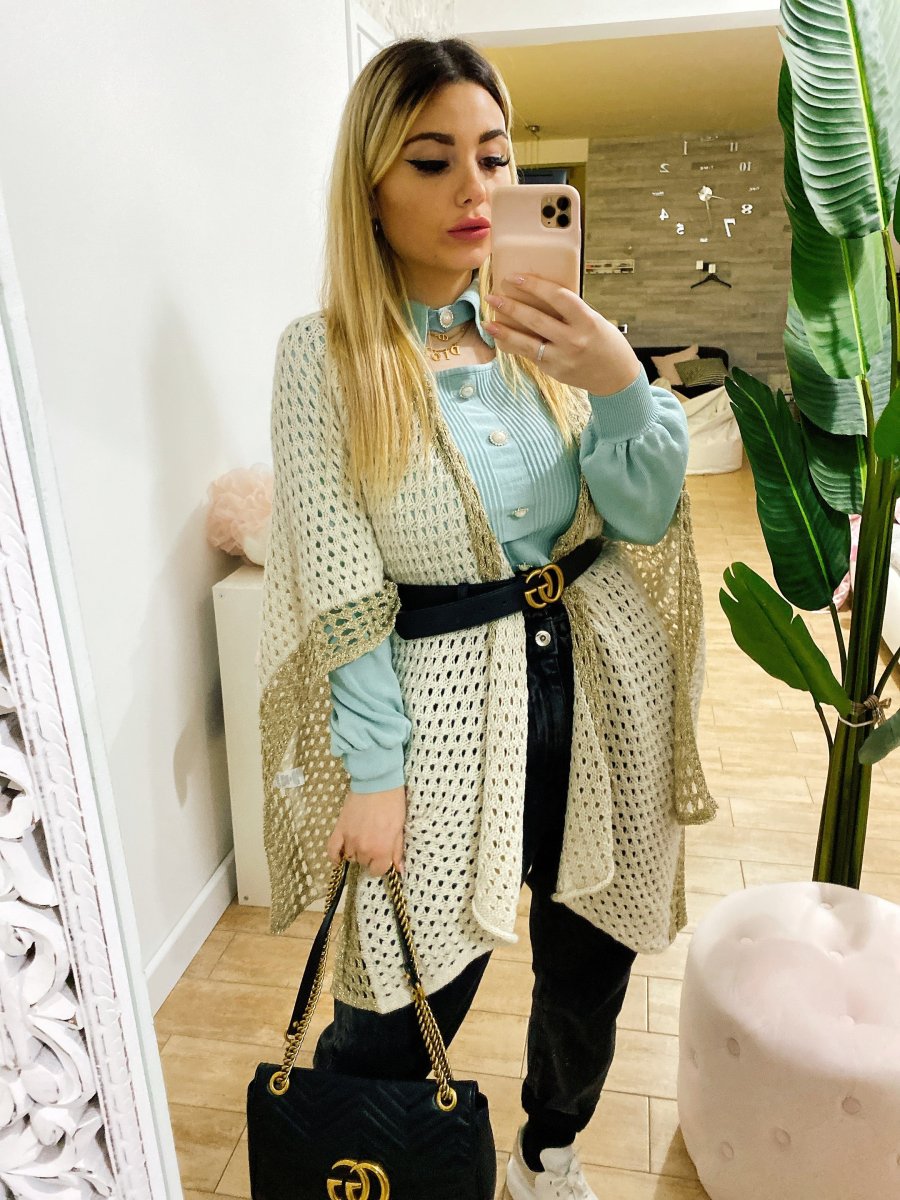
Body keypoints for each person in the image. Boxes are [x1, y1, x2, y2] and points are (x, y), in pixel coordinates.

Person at [257, 35, 716, 1200]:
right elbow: (341, 582)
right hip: (444, 711)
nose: (475, 187)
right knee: (399, 997)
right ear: (370, 186)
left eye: (495, 156)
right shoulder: (324, 358)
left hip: (596, 685)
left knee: (589, 964)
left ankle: (549, 1149)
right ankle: (374, 1164)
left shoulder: (547, 328)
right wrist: (374, 774)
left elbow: (640, 512)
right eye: (432, 160)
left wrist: (619, 380)